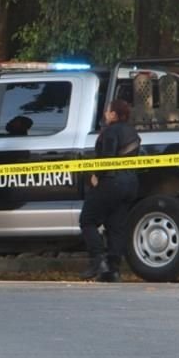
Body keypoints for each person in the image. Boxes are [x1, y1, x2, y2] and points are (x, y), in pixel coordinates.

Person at [78, 99, 141, 282]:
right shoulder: (133, 132)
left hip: (111, 183)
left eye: (107, 111)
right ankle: (113, 270)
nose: (105, 114)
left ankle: (98, 261)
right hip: (130, 184)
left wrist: (97, 175)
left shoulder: (111, 131)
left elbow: (107, 157)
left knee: (87, 220)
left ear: (114, 114)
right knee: (115, 227)